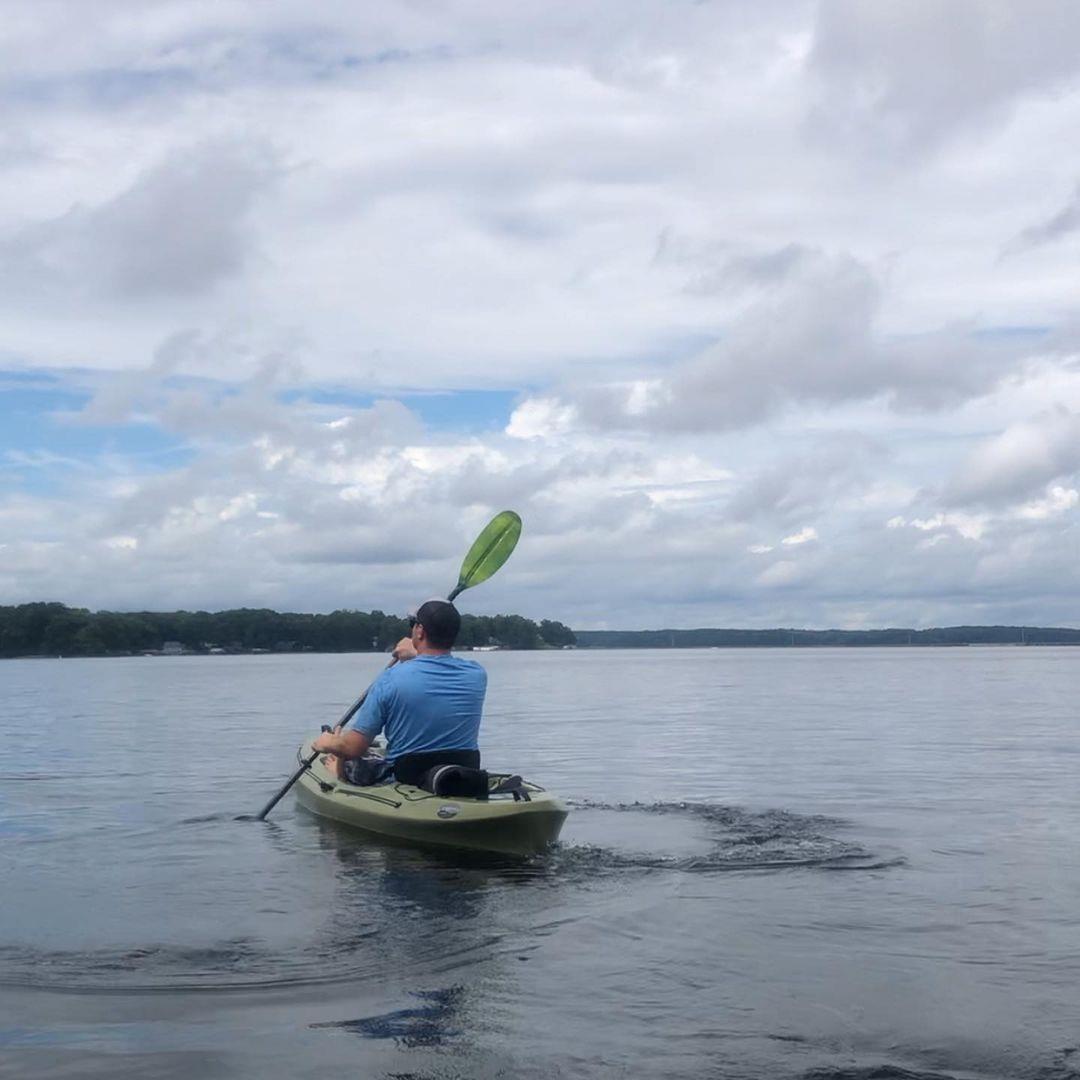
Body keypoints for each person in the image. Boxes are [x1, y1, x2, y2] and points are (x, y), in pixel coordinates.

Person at [310, 599, 487, 786]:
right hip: (464, 769)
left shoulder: (390, 679)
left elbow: (354, 747)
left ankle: (339, 771)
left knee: (349, 758)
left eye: (414, 625)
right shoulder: (477, 674)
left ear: (419, 631)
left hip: (407, 776)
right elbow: (436, 664)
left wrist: (329, 742)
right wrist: (418, 652)